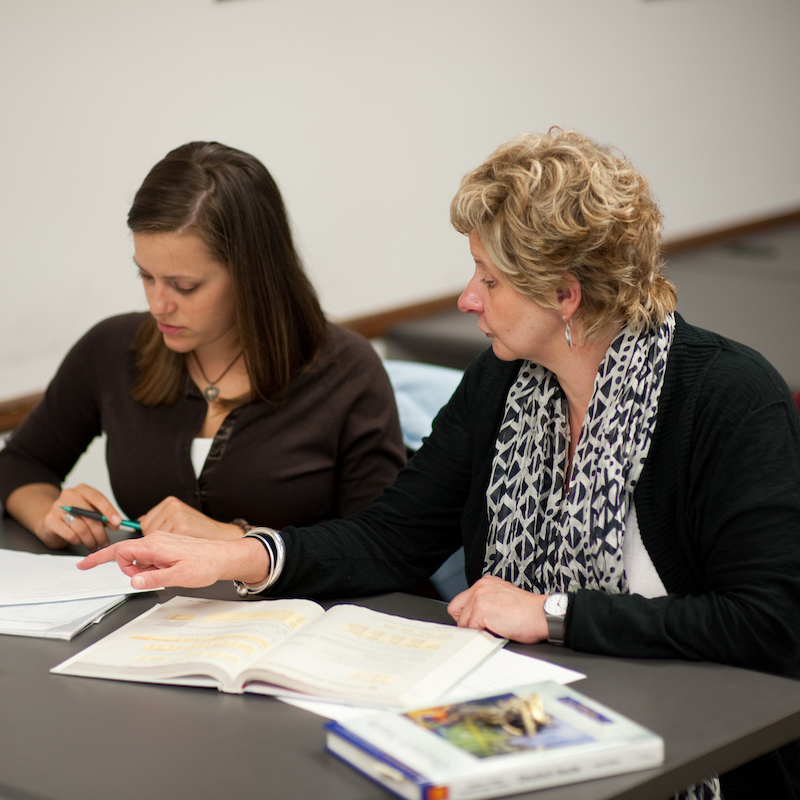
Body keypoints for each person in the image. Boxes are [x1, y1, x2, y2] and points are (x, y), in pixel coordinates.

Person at [80, 129, 800, 799]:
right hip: (517, 723)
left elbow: (770, 622)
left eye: (488, 280)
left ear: (564, 295)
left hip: (695, 751)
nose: (466, 299)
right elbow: (393, 537)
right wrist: (240, 557)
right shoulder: (505, 379)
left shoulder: (727, 398)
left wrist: (552, 614)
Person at [0, 141, 405, 551]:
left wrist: (240, 542)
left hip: (297, 612)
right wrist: (48, 514)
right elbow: (18, 463)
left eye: (184, 286)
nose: (158, 305)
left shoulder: (346, 369)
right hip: (152, 609)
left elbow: (381, 544)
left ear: (252, 276)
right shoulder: (112, 349)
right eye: (146, 276)